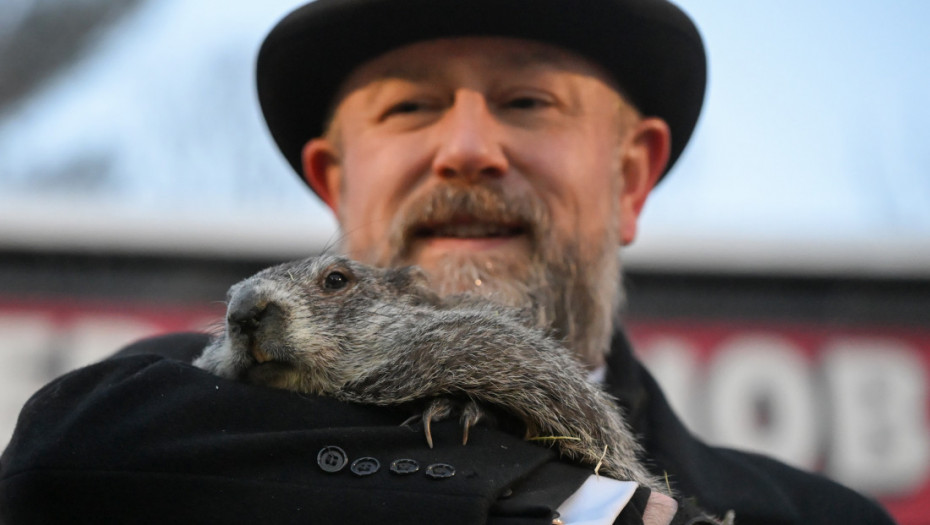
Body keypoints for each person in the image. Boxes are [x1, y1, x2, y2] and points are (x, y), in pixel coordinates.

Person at [0, 0, 896, 524]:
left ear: (630, 178)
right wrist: (583, 505)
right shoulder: (143, 421)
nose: (467, 148)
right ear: (334, 185)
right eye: (409, 109)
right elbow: (54, 463)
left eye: (527, 99)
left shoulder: (815, 516)